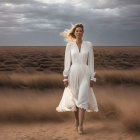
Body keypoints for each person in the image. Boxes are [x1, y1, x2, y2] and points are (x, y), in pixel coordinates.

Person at [56, 23, 99, 135]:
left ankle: (80, 126)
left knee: (82, 99)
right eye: (77, 31)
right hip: (73, 73)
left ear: (83, 33)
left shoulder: (88, 45)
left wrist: (92, 77)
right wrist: (65, 77)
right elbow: (67, 62)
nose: (78, 32)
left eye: (80, 31)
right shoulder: (69, 45)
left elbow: (91, 63)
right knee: (75, 100)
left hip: (85, 73)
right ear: (74, 33)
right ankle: (77, 120)